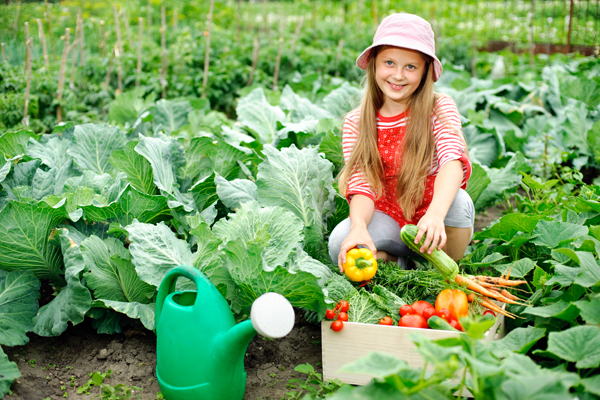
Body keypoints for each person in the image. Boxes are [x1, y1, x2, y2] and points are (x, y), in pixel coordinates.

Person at [328, 13, 474, 273]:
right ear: (374, 65)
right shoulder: (356, 122)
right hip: (387, 216)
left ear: (425, 71)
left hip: (432, 209)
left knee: (459, 202)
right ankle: (403, 263)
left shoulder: (438, 107)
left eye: (410, 67)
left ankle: (444, 270)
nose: (397, 75)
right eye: (389, 63)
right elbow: (362, 183)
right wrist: (359, 227)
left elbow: (452, 160)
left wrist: (436, 214)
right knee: (341, 241)